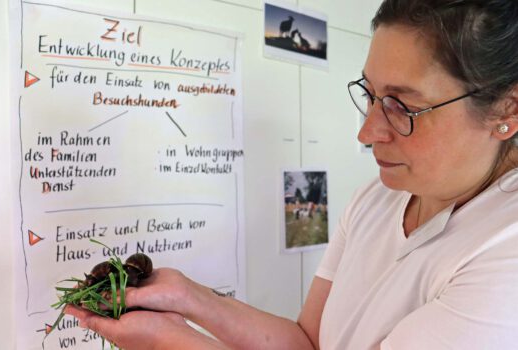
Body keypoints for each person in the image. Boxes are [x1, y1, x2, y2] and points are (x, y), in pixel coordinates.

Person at [66, 0, 518, 348]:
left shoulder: (505, 251)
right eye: (370, 94)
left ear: (507, 110)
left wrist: (173, 341)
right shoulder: (376, 200)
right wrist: (187, 297)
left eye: (404, 107)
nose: (367, 132)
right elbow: (308, 342)